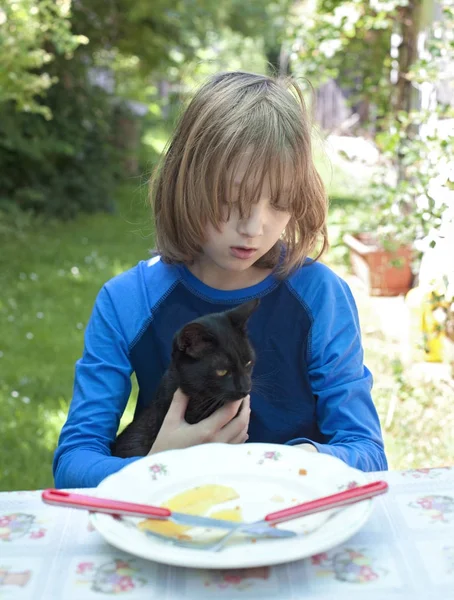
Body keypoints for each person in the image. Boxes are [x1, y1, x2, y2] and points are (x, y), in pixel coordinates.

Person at [53, 71, 388, 489]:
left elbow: (368, 452)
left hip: (296, 526)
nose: (254, 226)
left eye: (280, 202)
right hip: (172, 525)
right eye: (231, 201)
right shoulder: (127, 301)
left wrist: (297, 464)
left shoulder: (321, 296)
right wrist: (160, 466)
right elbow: (72, 465)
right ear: (185, 184)